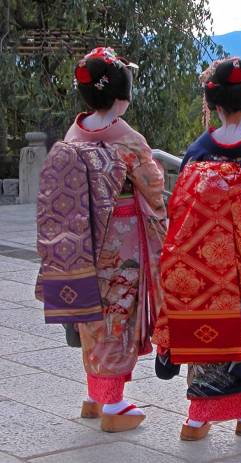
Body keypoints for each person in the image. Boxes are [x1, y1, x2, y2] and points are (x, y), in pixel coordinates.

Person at [153, 57, 241, 441]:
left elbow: (179, 205)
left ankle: (198, 418)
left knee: (207, 332)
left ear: (213, 104)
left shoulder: (199, 149)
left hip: (202, 267)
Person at [36, 47, 166, 432]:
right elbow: (154, 186)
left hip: (79, 236)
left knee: (92, 315)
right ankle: (113, 405)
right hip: (120, 237)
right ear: (121, 95)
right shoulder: (127, 138)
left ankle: (95, 396)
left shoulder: (74, 132)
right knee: (117, 315)